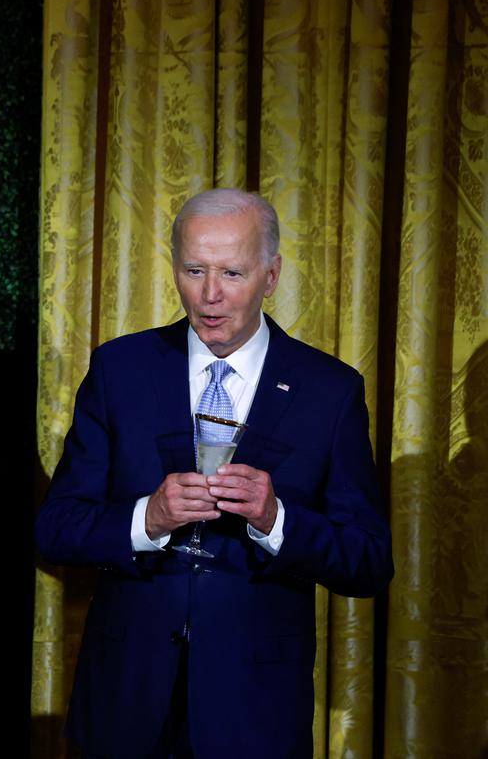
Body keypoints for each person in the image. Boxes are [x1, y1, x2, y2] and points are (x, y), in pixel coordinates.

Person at [34, 188, 392, 758]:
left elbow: (369, 563)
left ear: (271, 276)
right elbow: (53, 529)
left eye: (232, 272)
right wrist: (145, 520)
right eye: (194, 269)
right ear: (174, 266)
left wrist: (276, 519)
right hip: (127, 705)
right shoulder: (119, 370)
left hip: (255, 713)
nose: (210, 295)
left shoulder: (330, 391)